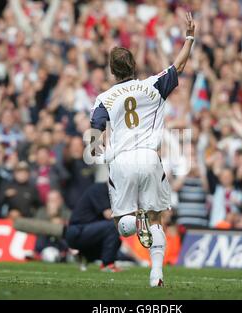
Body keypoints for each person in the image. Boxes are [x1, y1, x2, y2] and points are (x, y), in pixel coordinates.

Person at [89, 13, 195, 286]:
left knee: (122, 225)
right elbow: (179, 65)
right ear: (134, 65)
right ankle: (156, 274)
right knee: (156, 217)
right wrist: (190, 37)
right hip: (149, 157)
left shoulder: (103, 99)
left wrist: (99, 151)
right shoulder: (152, 85)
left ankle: (134, 223)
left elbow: (95, 134)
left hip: (122, 161)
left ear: (112, 71)